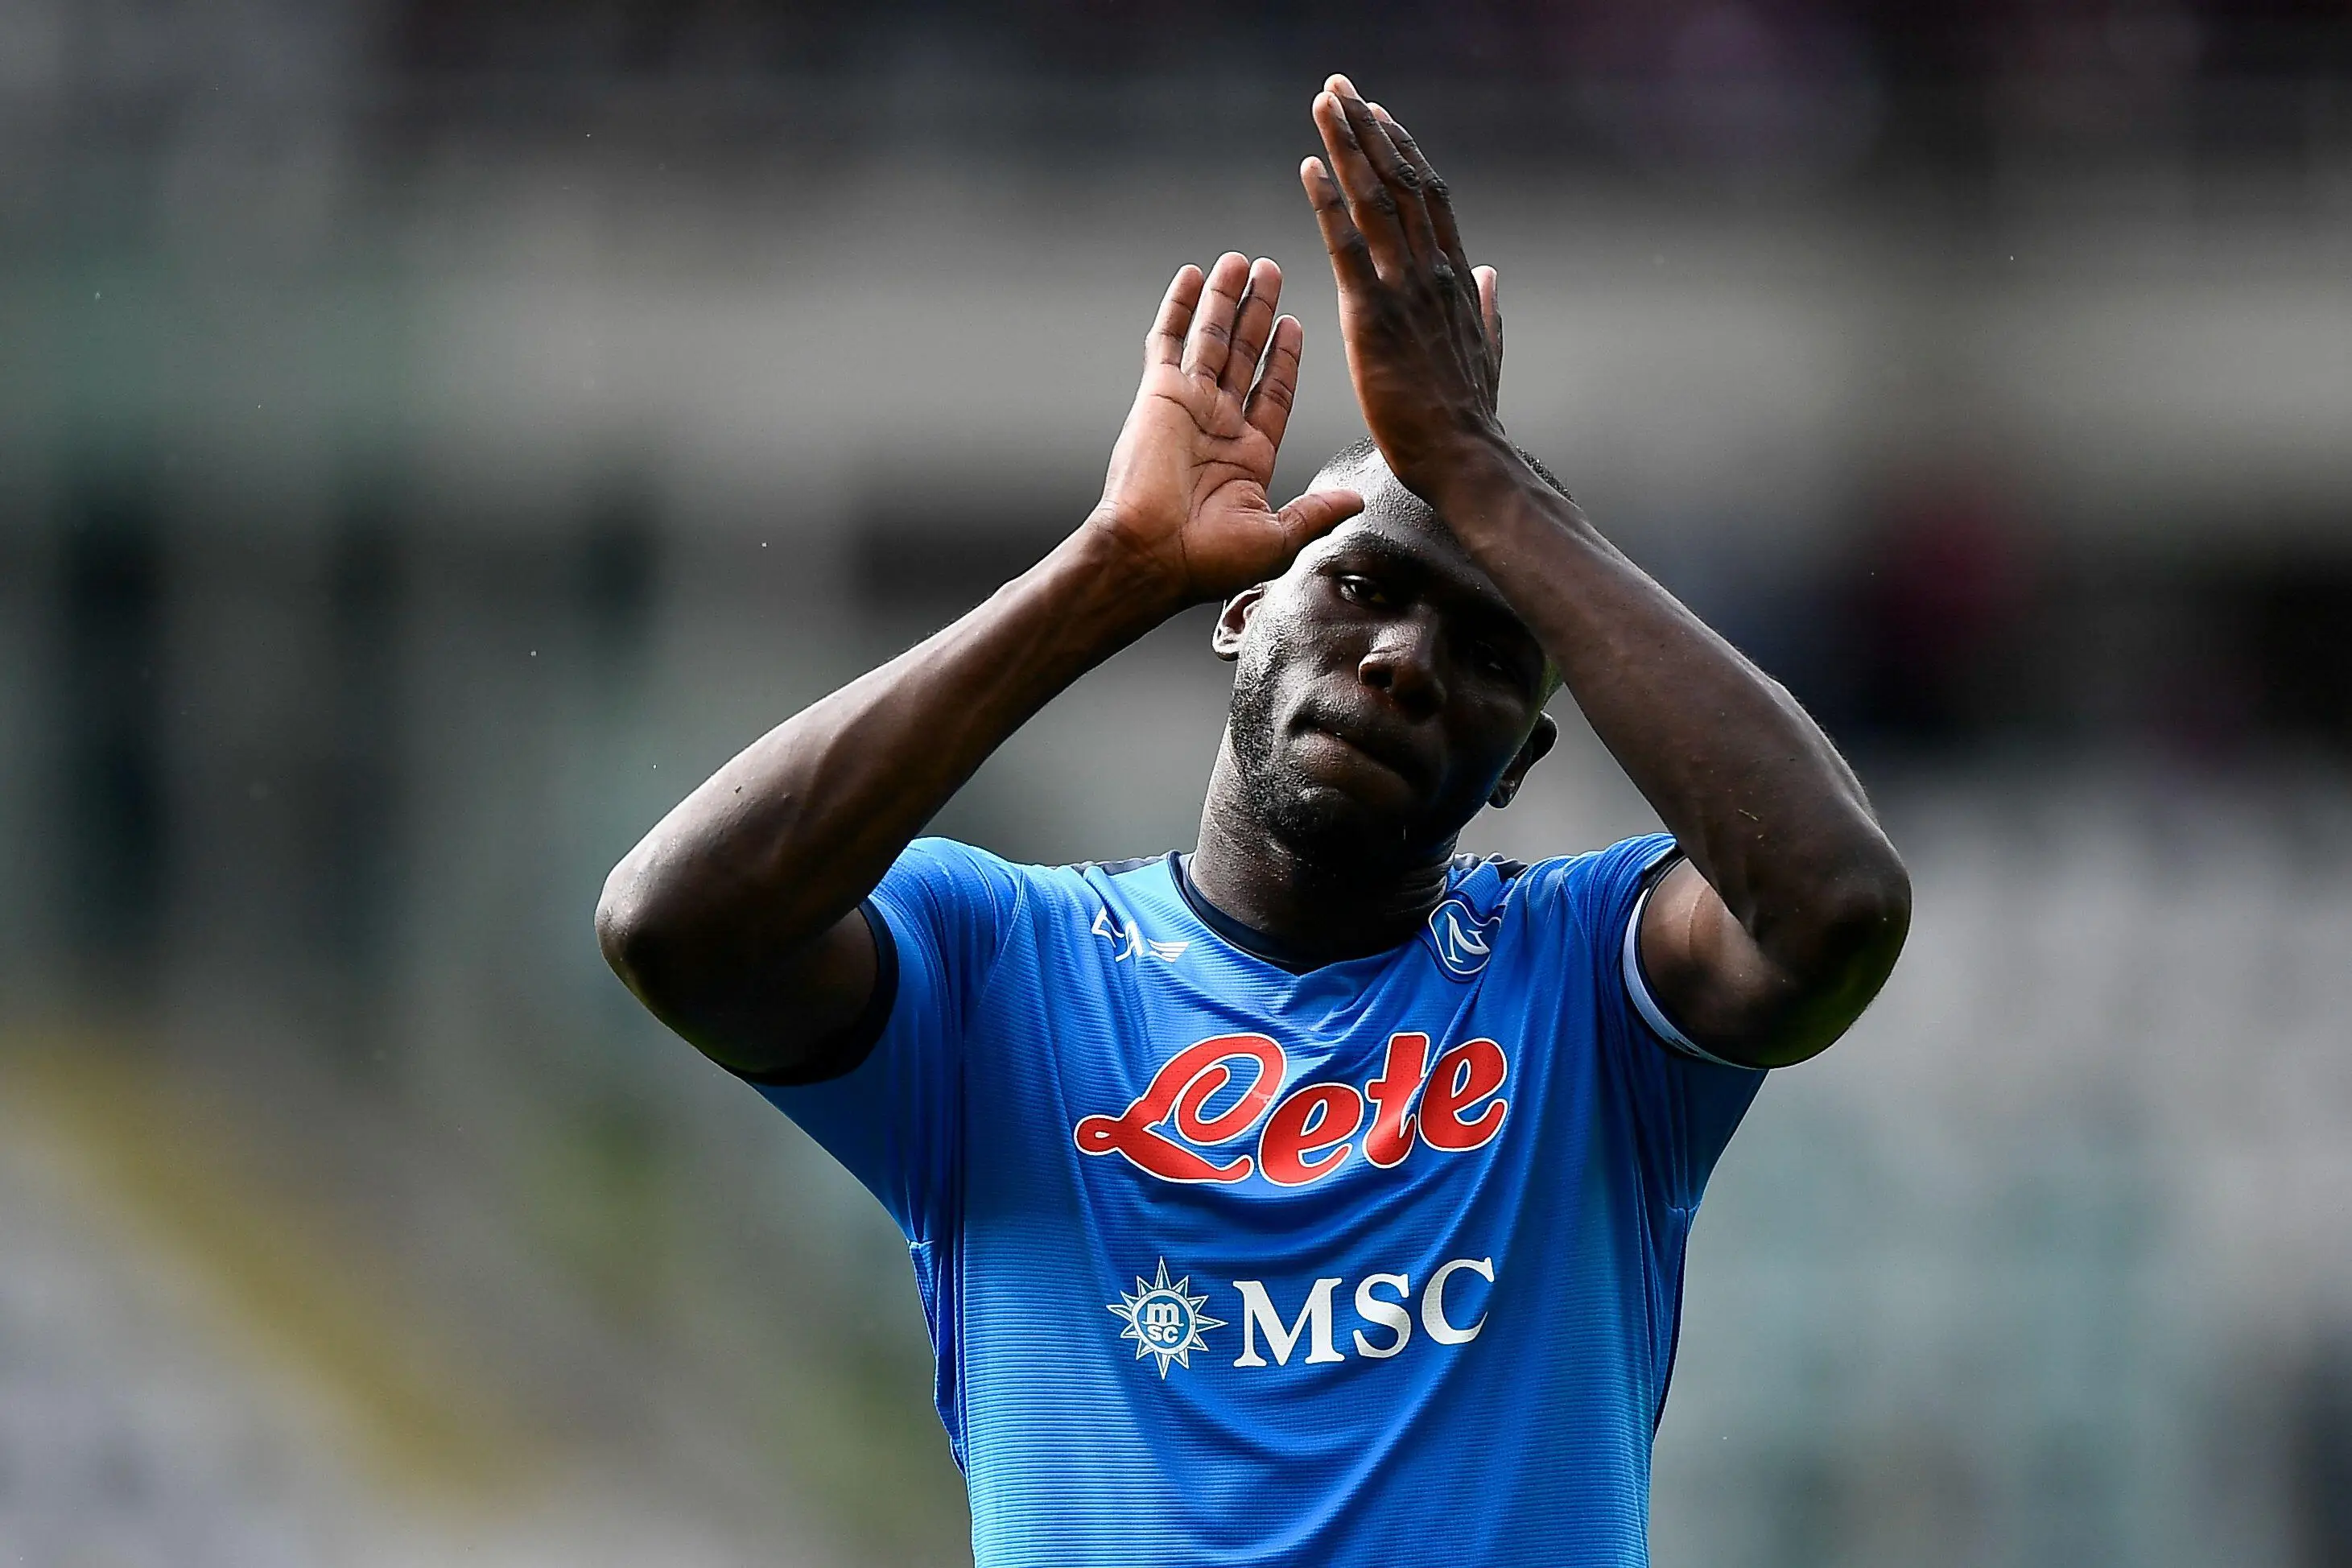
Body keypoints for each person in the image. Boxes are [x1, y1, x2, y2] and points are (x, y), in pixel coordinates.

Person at [598, 76, 1910, 1568]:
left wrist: (1476, 472)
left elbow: (1833, 907)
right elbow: (674, 927)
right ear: (1239, 615)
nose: (1408, 661)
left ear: (1517, 766)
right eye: (1358, 588)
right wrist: (1102, 570)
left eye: (1487, 656)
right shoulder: (997, 968)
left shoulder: (1590, 978)